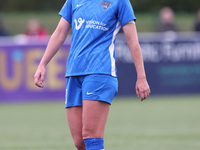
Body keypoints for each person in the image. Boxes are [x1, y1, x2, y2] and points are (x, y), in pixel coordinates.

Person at [34, 0, 150, 149]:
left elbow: (133, 41)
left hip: (100, 71)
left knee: (91, 136)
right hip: (74, 72)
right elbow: (59, 33)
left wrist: (141, 77)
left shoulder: (120, 2)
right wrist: (43, 63)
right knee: (80, 142)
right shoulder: (73, 1)